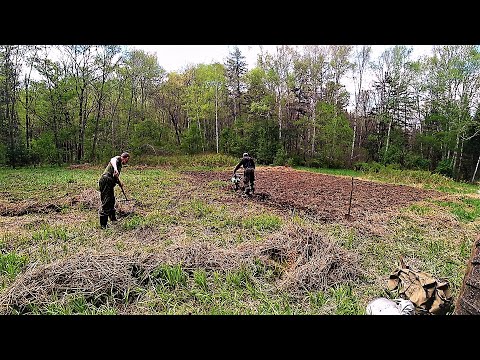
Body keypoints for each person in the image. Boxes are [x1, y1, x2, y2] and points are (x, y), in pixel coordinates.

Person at [98, 152, 130, 228]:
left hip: (110, 182)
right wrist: (115, 169)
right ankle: (103, 225)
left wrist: (119, 182)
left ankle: (113, 219)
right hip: (106, 180)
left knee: (112, 200)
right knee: (106, 202)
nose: (127, 162)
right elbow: (112, 160)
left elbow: (115, 176)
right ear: (125, 158)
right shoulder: (117, 159)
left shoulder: (119, 165)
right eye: (127, 160)